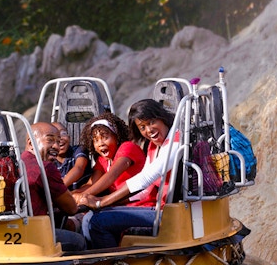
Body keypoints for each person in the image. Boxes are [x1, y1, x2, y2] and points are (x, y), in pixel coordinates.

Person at [76, 99, 182, 249]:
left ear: (162, 117)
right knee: (89, 218)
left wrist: (101, 202)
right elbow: (145, 190)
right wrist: (104, 201)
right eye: (142, 127)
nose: (149, 130)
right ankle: (97, 260)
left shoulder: (176, 142)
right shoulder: (153, 145)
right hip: (159, 208)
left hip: (168, 212)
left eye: (152, 122)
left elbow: (146, 178)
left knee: (98, 222)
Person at [23, 122, 86, 252]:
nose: (56, 146)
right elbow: (71, 208)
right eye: (50, 140)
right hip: (35, 234)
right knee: (79, 241)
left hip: (18, 231)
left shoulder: (18, 161)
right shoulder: (45, 168)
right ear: (31, 143)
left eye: (58, 141)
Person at [51, 121, 92, 190]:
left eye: (63, 133)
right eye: (53, 136)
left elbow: (79, 168)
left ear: (69, 137)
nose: (60, 138)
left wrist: (59, 189)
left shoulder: (78, 150)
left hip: (84, 193)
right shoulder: (50, 162)